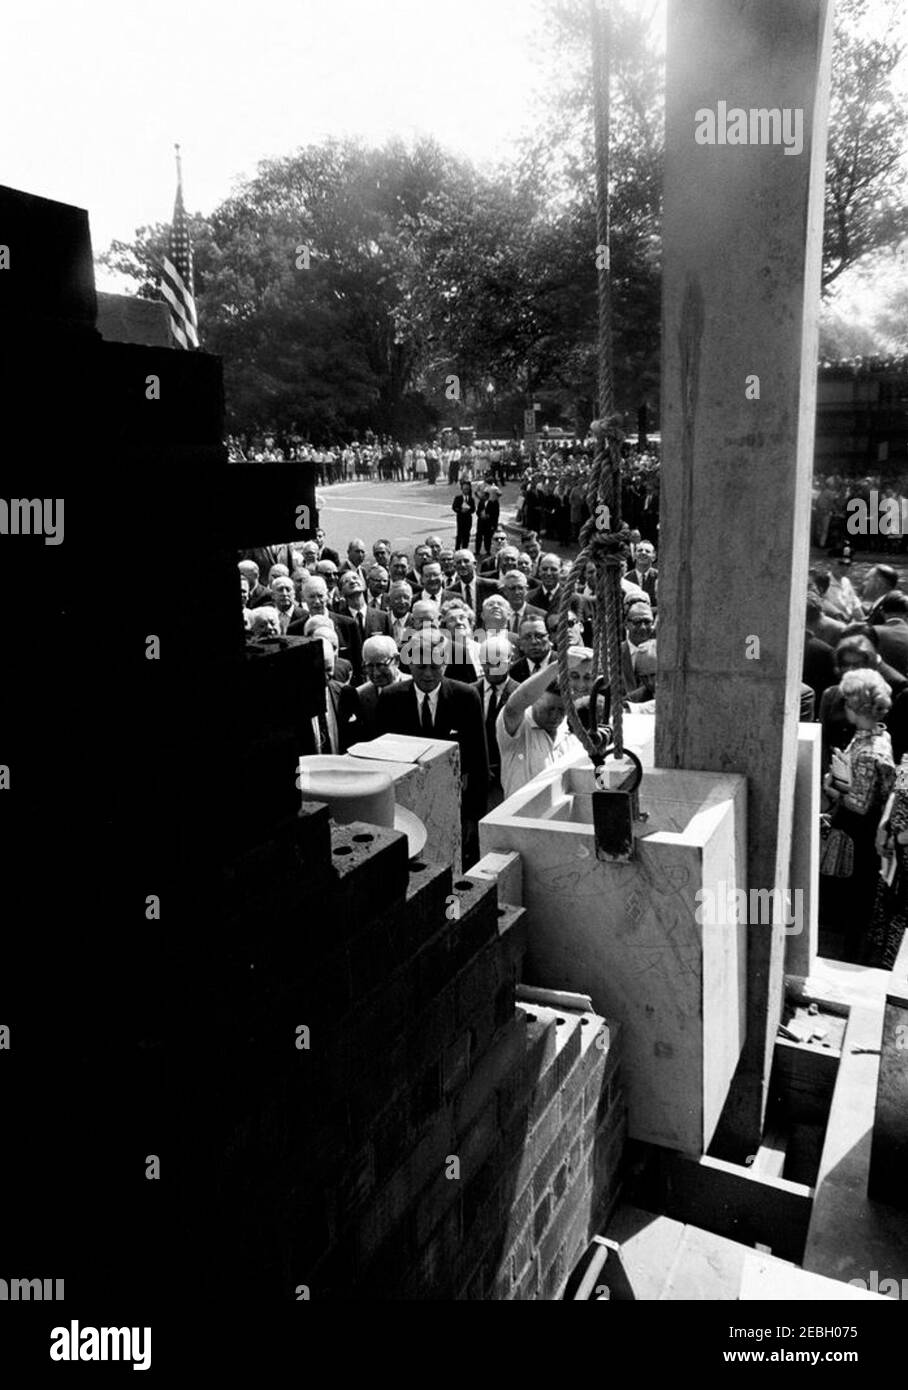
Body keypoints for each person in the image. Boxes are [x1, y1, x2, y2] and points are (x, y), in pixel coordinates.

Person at [376, 626, 488, 862]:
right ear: (408, 665)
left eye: (435, 667)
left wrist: (472, 819)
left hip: (453, 808)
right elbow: (382, 763)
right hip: (407, 809)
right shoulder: (390, 699)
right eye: (421, 666)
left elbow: (478, 763)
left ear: (445, 664)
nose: (428, 674)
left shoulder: (466, 698)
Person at [820, 668, 896, 962]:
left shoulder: (867, 751)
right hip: (866, 831)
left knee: (855, 901)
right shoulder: (877, 735)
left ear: (855, 707)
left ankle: (849, 956)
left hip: (859, 834)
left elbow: (860, 803)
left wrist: (833, 789)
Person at [497, 651, 588, 799]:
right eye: (549, 709)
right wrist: (557, 666)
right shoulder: (518, 727)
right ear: (534, 700)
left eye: (561, 710)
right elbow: (517, 703)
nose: (555, 716)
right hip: (521, 818)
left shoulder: (571, 731)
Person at [866, 753, 908, 968]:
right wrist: (883, 829)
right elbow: (897, 793)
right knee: (886, 906)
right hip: (894, 854)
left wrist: (899, 839)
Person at [474, 634, 520, 812]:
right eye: (487, 662)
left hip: (509, 775)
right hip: (475, 779)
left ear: (510, 660)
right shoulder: (468, 693)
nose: (492, 667)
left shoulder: (520, 695)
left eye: (498, 662)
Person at [354, 634, 410, 742]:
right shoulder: (361, 695)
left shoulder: (415, 688)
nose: (376, 673)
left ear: (397, 660)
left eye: (381, 665)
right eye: (369, 666)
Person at [509, 617, 554, 684]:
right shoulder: (513, 672)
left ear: (550, 638)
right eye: (527, 637)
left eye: (539, 636)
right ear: (520, 643)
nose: (533, 642)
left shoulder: (564, 663)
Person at [452, 480, 476, 550]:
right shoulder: (458, 498)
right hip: (460, 518)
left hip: (468, 518)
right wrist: (460, 510)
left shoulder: (471, 499)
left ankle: (465, 548)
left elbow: (473, 509)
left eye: (467, 489)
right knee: (459, 534)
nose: (466, 490)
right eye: (465, 489)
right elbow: (454, 507)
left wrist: (468, 510)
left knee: (467, 534)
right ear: (462, 489)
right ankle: (457, 548)